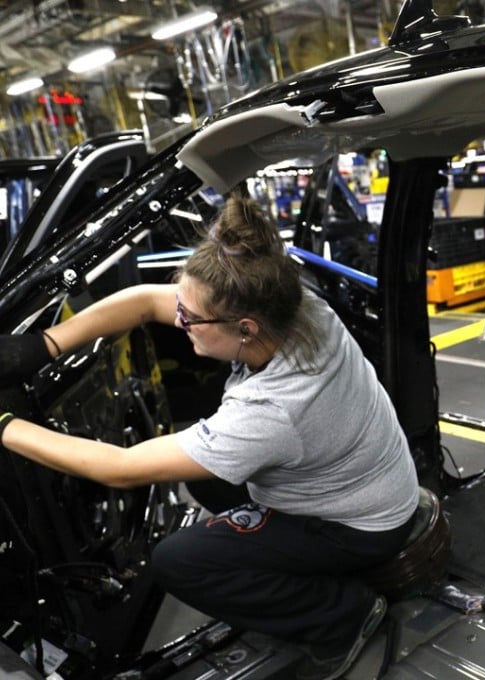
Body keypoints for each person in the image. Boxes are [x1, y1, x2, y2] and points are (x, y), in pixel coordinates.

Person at [0, 195, 420, 680]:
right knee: (203, 479)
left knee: (180, 562)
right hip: (372, 484)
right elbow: (142, 302)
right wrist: (45, 345)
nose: (178, 322)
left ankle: (341, 616)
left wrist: (7, 427)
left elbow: (117, 468)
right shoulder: (294, 305)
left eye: (190, 318)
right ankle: (287, 572)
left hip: (359, 528)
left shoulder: (274, 409)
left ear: (245, 328)